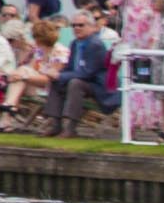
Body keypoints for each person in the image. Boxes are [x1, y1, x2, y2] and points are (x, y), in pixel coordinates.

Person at [39, 10, 118, 138]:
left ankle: (71, 127)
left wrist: (61, 75)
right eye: (74, 25)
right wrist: (56, 73)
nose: (76, 28)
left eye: (81, 25)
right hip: (83, 81)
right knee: (57, 80)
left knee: (75, 83)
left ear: (91, 27)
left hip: (98, 85)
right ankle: (55, 124)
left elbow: (88, 72)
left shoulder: (95, 44)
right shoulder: (75, 43)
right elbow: (71, 67)